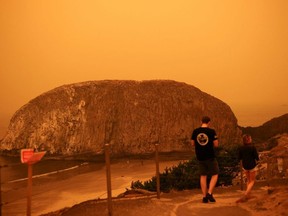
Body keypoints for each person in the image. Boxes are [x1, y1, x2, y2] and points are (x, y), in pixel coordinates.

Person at [191, 116, 219, 203]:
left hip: (200, 156)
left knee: (203, 176)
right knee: (215, 174)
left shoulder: (195, 131)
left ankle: (204, 197)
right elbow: (216, 144)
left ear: (201, 121)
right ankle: (209, 193)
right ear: (209, 122)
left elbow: (192, 143)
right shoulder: (211, 131)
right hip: (210, 156)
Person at [236, 134, 259, 203]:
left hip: (245, 165)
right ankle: (246, 194)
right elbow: (256, 157)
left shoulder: (241, 148)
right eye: (250, 138)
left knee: (248, 180)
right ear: (248, 140)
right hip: (252, 165)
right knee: (252, 181)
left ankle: (248, 195)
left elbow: (239, 158)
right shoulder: (253, 147)